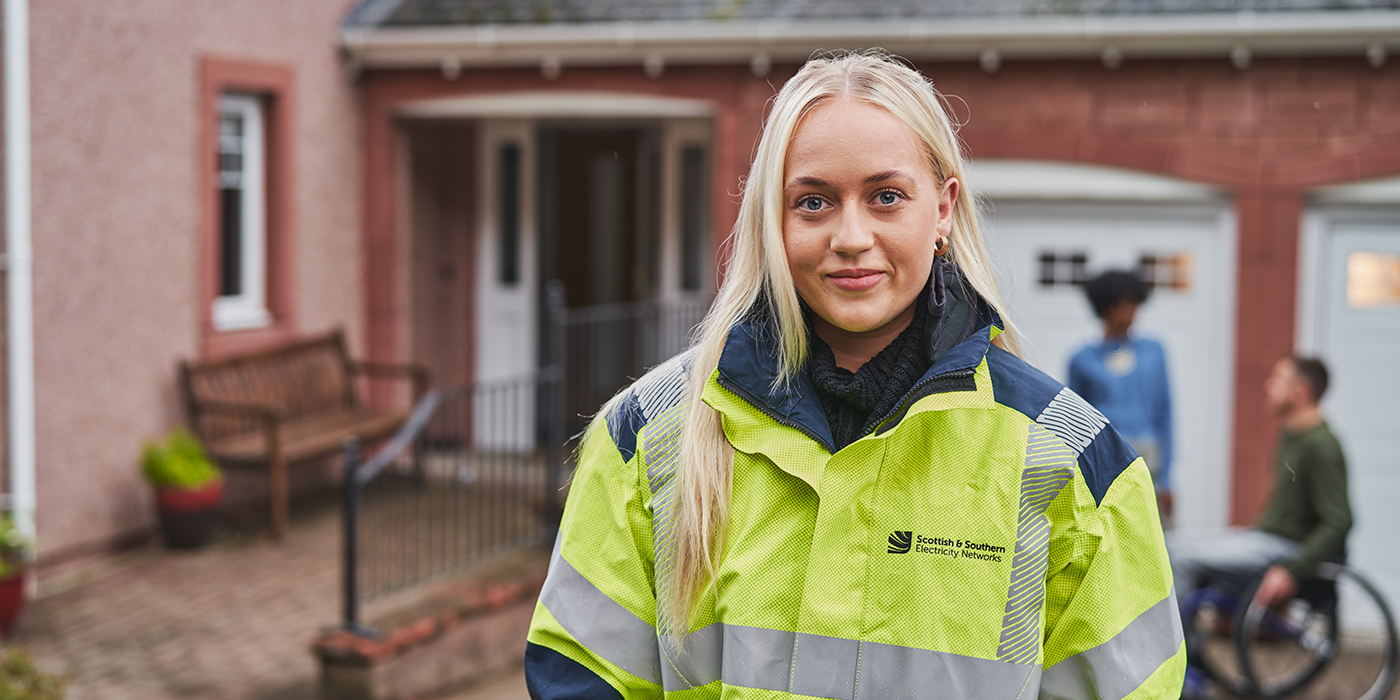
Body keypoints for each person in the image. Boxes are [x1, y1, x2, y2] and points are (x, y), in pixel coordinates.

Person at [524, 51, 1182, 700]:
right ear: (771, 219)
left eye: (886, 196)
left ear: (944, 208)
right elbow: (585, 676)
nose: (850, 235)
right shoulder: (649, 435)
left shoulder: (1067, 458)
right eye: (813, 202)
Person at [1168, 356, 1351, 696]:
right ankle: (1186, 655)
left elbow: (1339, 520)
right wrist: (1251, 531)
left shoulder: (1322, 446)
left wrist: (1291, 570)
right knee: (1170, 543)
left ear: (1300, 391)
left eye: (1277, 379)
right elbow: (1287, 510)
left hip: (1287, 550)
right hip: (1267, 538)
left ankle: (1180, 668)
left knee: (1179, 559)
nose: (1268, 385)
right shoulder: (1292, 435)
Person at [1068, 270, 1174, 525]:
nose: (1131, 312)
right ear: (1105, 308)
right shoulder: (1082, 358)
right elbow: (1074, 424)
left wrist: (1167, 478)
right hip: (1105, 456)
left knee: (1155, 533)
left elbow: (1165, 413)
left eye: (1134, 304)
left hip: (1149, 456)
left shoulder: (1154, 351)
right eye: (1122, 304)